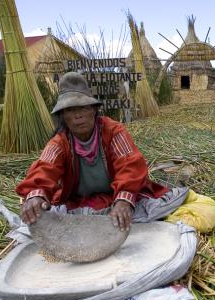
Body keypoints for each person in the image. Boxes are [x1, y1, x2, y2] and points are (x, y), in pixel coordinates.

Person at [16, 72, 168, 231]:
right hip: (79, 201)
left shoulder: (114, 132)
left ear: (94, 110)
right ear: (63, 117)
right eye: (70, 110)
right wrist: (36, 196)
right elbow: (44, 168)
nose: (78, 116)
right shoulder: (60, 143)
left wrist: (124, 200)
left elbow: (130, 164)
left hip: (115, 197)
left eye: (83, 107)